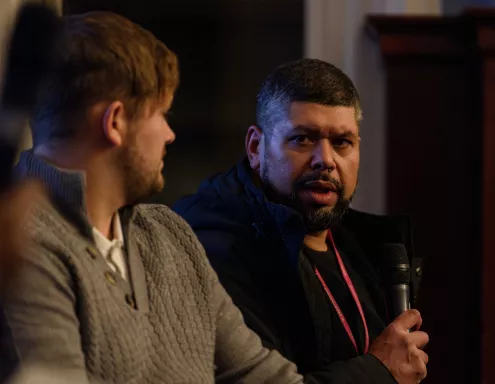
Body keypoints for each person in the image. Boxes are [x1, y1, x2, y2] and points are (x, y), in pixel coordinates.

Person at [0, 11, 305, 383]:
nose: (170, 134)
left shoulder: (168, 234)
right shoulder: (21, 246)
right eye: (161, 113)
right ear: (114, 122)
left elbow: (261, 374)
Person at [174, 58, 429, 384]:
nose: (325, 160)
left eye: (342, 142)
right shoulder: (214, 243)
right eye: (302, 139)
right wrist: (378, 372)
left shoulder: (360, 246)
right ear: (255, 147)